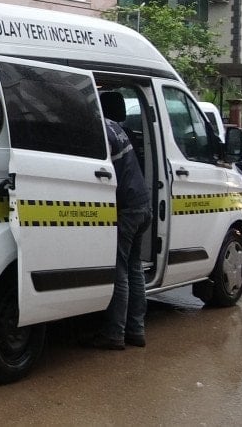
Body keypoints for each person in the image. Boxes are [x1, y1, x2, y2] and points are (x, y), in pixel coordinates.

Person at [87, 92, 153, 350]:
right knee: (135, 269)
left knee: (120, 270)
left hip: (127, 210)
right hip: (142, 205)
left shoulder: (102, 131)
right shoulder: (117, 128)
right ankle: (136, 330)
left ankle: (114, 333)